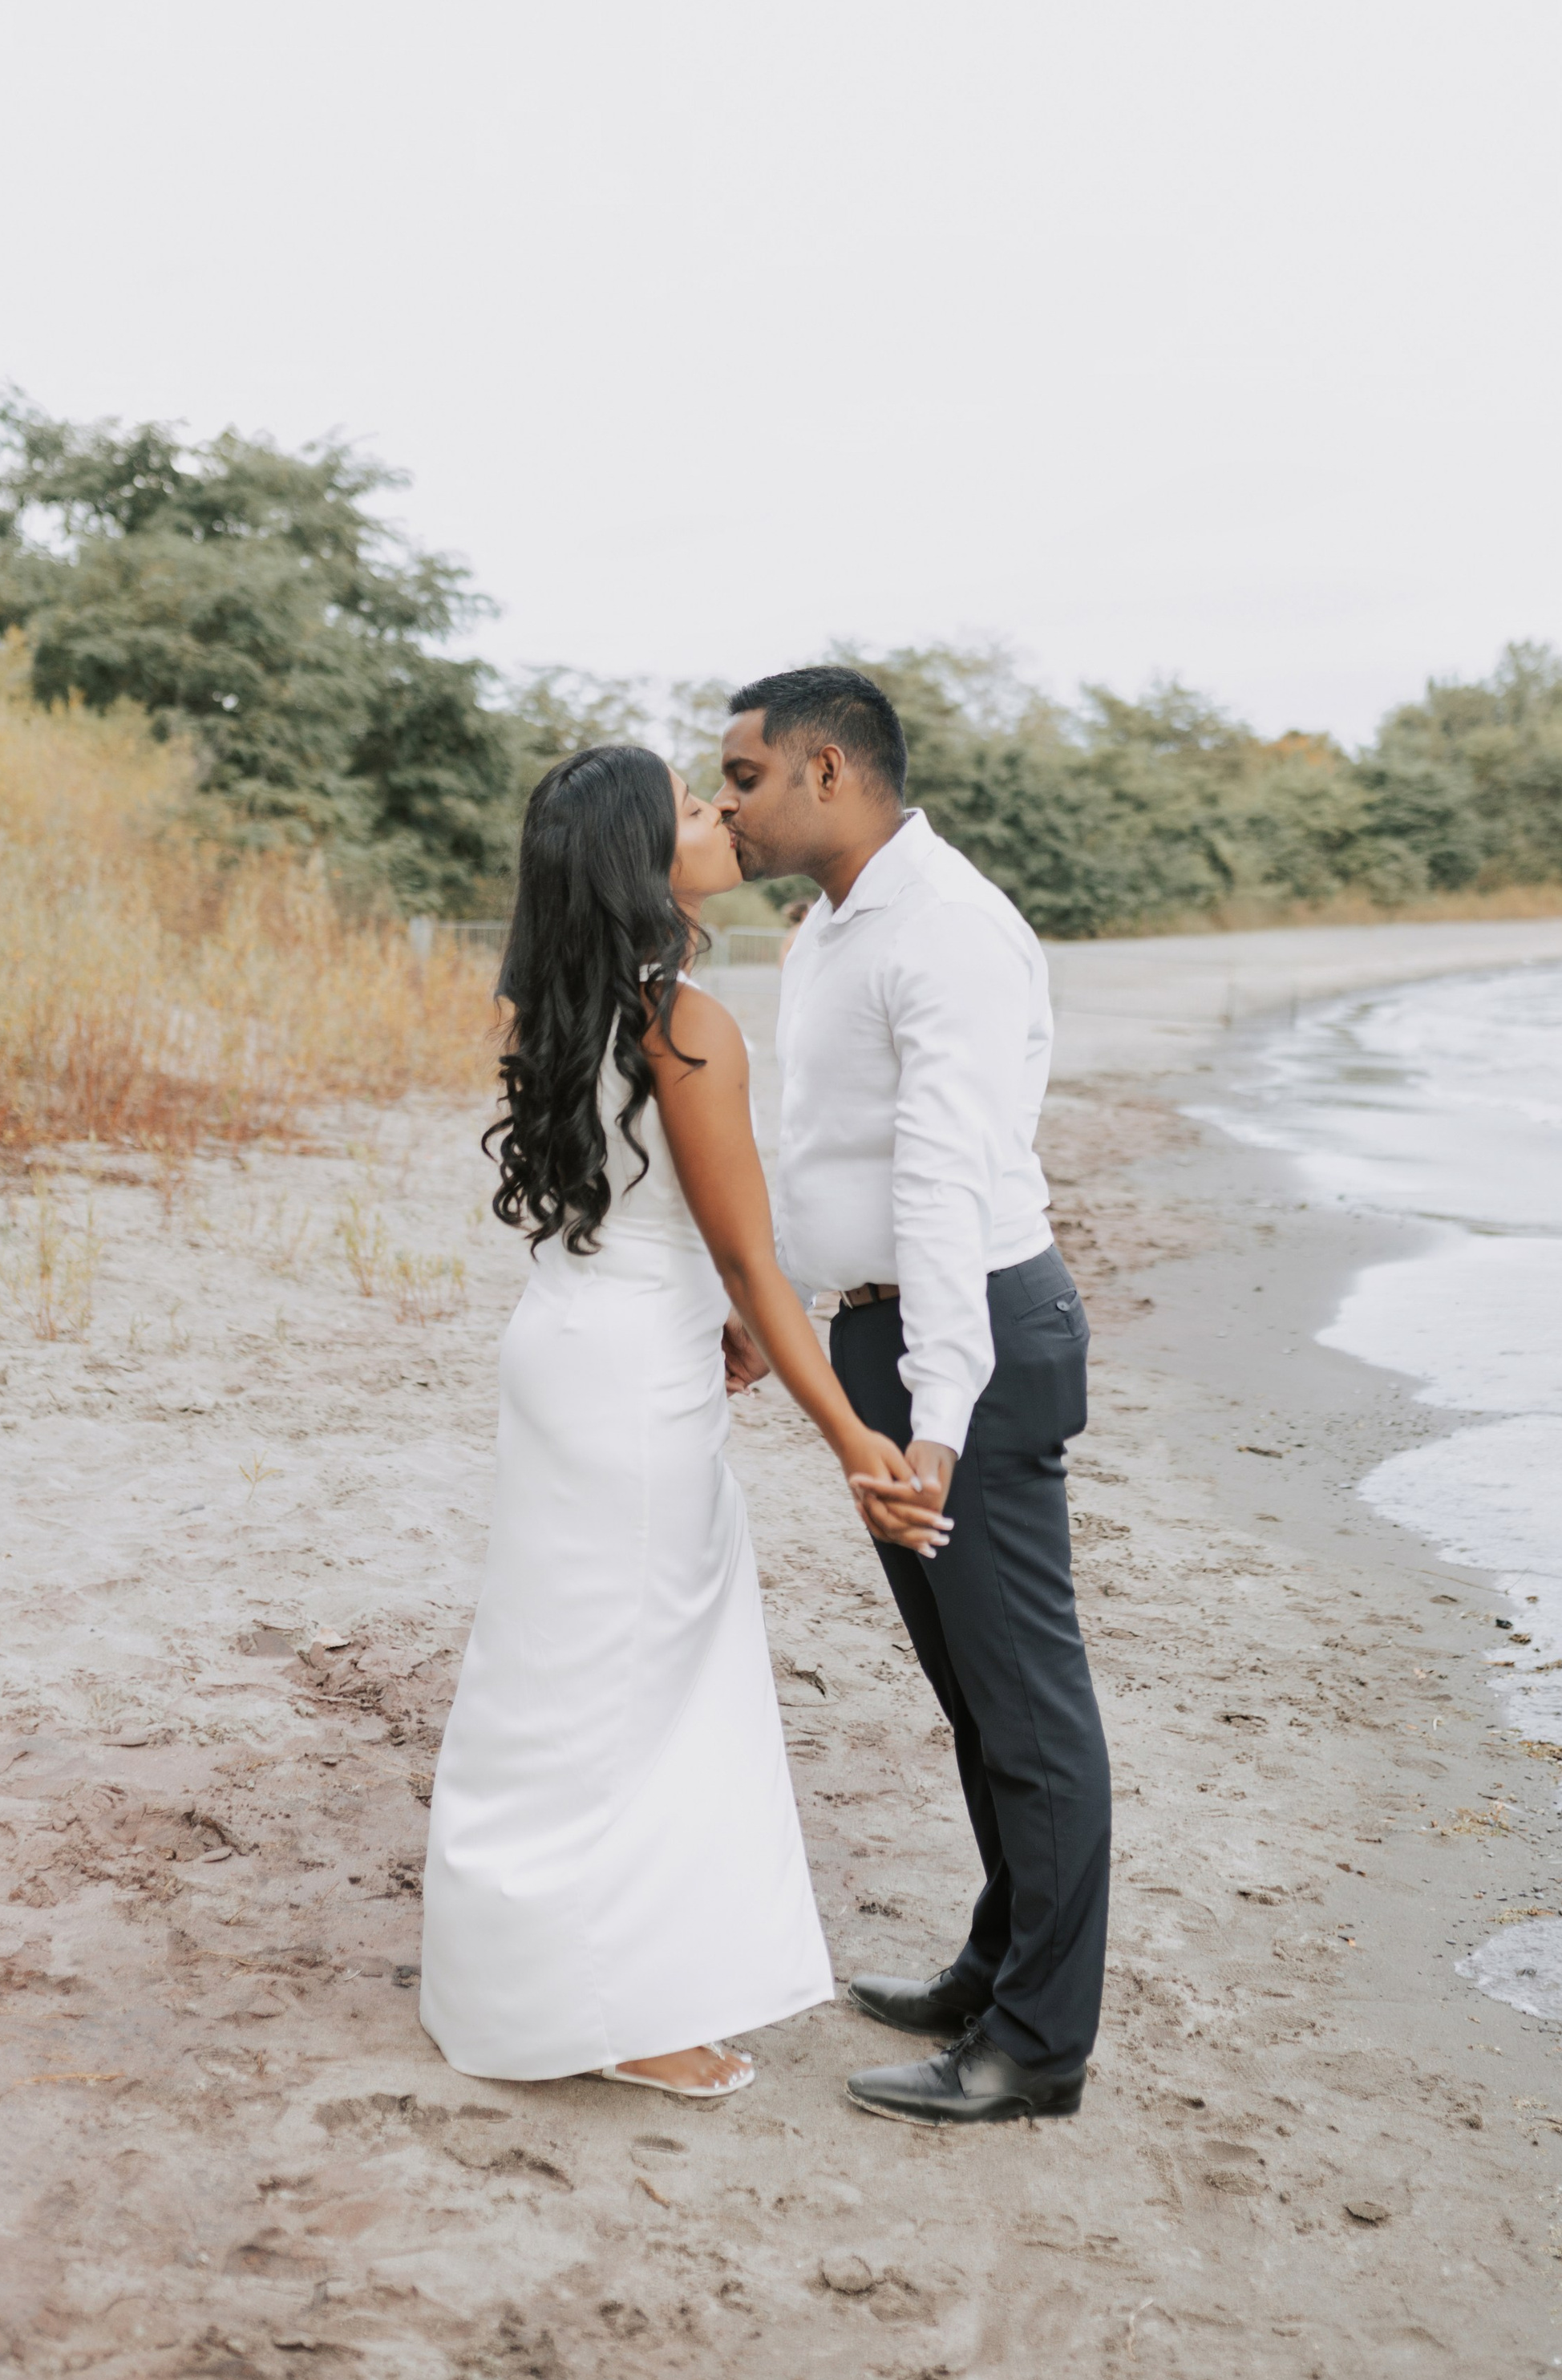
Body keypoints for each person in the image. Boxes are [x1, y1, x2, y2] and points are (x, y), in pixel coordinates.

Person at [418, 743, 936, 2103]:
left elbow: (647, 1220)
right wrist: (855, 1442)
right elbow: (756, 1259)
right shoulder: (688, 1019)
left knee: (551, 1670)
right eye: (692, 808)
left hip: (568, 1342)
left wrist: (724, 1316)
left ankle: (515, 1975)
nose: (718, 815)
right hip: (630, 1385)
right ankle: (624, 2011)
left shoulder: (560, 1007)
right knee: (631, 1686)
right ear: (645, 862)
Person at [715, 666, 1111, 2127]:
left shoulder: (945, 929)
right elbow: (843, 1156)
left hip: (976, 1342)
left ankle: (1035, 2048)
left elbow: (945, 1182)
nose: (727, 807)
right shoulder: (833, 925)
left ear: (828, 771)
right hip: (889, 1333)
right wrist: (790, 1321)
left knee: (1029, 1709)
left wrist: (936, 1417)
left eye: (745, 777)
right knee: (974, 1699)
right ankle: (995, 1966)